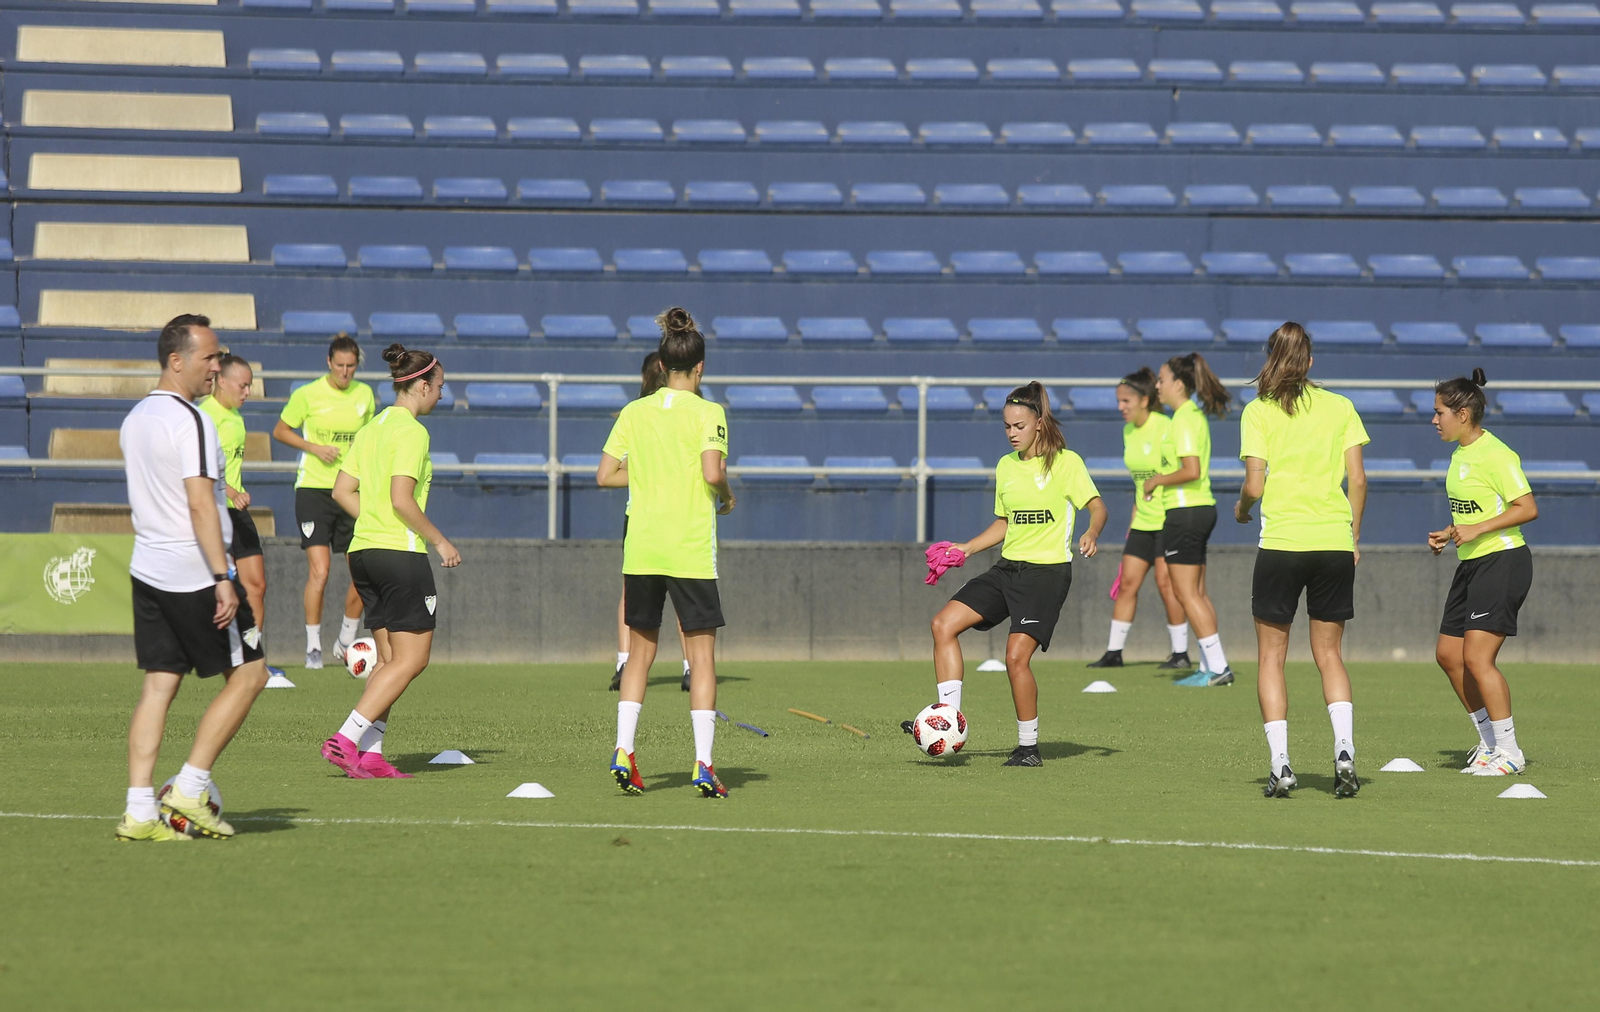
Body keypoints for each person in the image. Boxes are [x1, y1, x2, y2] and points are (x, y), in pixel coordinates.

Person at [116, 314, 269, 841]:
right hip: (193, 573)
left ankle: (139, 811)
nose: (217, 366)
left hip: (148, 568)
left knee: (159, 686)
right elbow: (201, 503)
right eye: (208, 357)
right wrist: (222, 575)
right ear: (176, 360)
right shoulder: (194, 420)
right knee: (251, 674)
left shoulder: (136, 417)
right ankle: (188, 786)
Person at [907, 383, 1107, 767]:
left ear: (1039, 423)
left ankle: (1028, 748)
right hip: (1007, 568)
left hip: (1047, 574)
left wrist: (1092, 531)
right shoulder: (1006, 466)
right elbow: (1005, 523)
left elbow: (1098, 507)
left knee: (1016, 656)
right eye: (1006, 426)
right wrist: (965, 548)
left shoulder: (1067, 463)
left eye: (1018, 425)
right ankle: (947, 719)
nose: (1012, 432)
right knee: (942, 624)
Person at [597, 307, 735, 798]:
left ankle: (623, 750)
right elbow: (713, 472)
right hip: (689, 550)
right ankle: (703, 763)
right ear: (699, 368)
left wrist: (652, 472)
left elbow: (604, 475)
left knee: (639, 655)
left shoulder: (634, 412)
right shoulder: (709, 412)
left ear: (661, 363)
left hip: (643, 549)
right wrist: (727, 496)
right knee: (701, 659)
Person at [1234, 323, 1370, 798]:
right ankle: (1345, 752)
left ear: (1270, 360)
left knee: (1272, 656)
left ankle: (1281, 764)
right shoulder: (1341, 407)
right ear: (1310, 363)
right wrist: (1352, 536)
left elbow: (1254, 485)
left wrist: (1242, 509)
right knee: (1329, 654)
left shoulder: (1258, 411)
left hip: (1282, 544)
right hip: (1332, 542)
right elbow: (1357, 481)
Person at [321, 344, 460, 778]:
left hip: (362, 553)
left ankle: (372, 754)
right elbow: (403, 501)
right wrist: (440, 541)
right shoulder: (413, 432)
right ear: (420, 385)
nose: (441, 395)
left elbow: (341, 492)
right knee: (412, 660)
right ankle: (346, 738)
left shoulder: (371, 427)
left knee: (387, 662)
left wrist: (377, 521)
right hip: (399, 555)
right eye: (439, 387)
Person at [1428, 369, 1537, 777]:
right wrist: (1453, 531)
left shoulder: (1497, 455)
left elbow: (1526, 508)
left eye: (1439, 412)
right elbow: (1478, 512)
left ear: (1463, 413)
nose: (1434, 420)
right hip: (1471, 562)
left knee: (1476, 657)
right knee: (1447, 655)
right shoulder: (1459, 455)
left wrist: (1475, 529)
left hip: (1503, 562)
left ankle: (1509, 752)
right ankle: (1490, 742)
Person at [272, 334, 375, 670]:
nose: (345, 372)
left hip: (351, 490)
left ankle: (346, 640)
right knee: (320, 570)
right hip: (314, 490)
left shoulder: (365, 395)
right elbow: (281, 430)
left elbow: (368, 438)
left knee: (364, 570)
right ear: (329, 363)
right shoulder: (307, 394)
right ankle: (313, 647)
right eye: (340, 366)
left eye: (351, 366)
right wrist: (314, 448)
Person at [1088, 367, 1192, 671]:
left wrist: (1159, 481)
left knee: (1166, 584)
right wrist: (1133, 523)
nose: (1121, 407)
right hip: (1143, 522)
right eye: (1118, 401)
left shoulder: (1167, 426)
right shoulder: (1128, 431)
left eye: (1126, 401)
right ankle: (1114, 652)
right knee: (1128, 583)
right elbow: (1138, 484)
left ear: (1145, 400)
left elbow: (1182, 471)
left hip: (1167, 519)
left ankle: (1181, 653)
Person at [1144, 352, 1235, 686]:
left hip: (1185, 512)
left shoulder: (1183, 418)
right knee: (1197, 592)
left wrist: (1155, 480)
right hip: (1198, 509)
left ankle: (1219, 668)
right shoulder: (1191, 415)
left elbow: (1190, 470)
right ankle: (1209, 666)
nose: (1158, 385)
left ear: (1178, 385)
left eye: (1162, 379)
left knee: (1186, 594)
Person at [199, 354, 287, 682]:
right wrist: (230, 492)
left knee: (257, 585)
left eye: (250, 385)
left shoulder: (235, 416)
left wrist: (236, 493)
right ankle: (219, 656)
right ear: (221, 381)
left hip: (236, 510)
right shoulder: (204, 417)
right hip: (213, 511)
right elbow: (202, 473)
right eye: (243, 384)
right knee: (214, 591)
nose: (248, 391)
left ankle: (253, 660)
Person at [609, 351, 693, 695]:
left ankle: (625, 662)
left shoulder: (638, 413)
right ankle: (689, 666)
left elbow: (611, 470)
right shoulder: (650, 414)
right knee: (682, 593)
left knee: (634, 593)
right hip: (674, 516)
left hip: (641, 518)